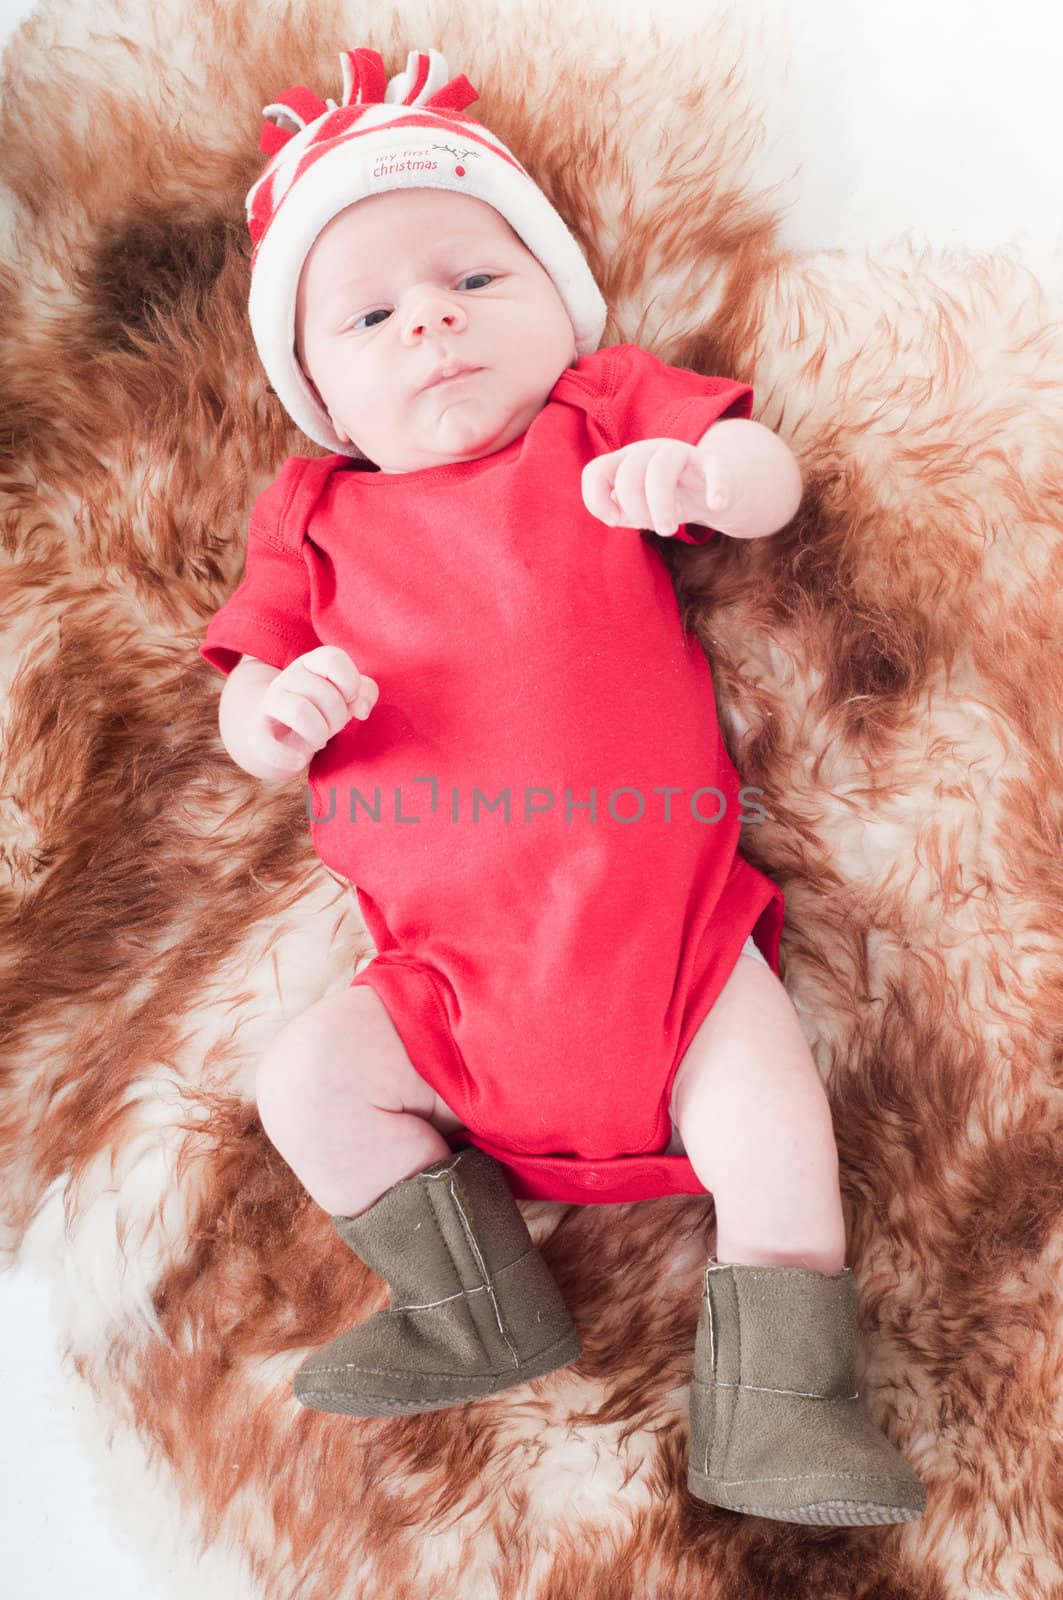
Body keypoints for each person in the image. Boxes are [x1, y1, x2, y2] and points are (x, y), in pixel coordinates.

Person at [199, 46, 926, 1526]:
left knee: (777, 1127)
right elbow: (240, 694)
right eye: (373, 314)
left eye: (476, 278)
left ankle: (785, 1406)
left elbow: (766, 472)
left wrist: (711, 482)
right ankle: (474, 1304)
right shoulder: (314, 514)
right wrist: (280, 715)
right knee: (306, 1082)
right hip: (441, 994)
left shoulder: (594, 417)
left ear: (559, 303)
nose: (434, 324)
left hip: (674, 956)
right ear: (317, 389)